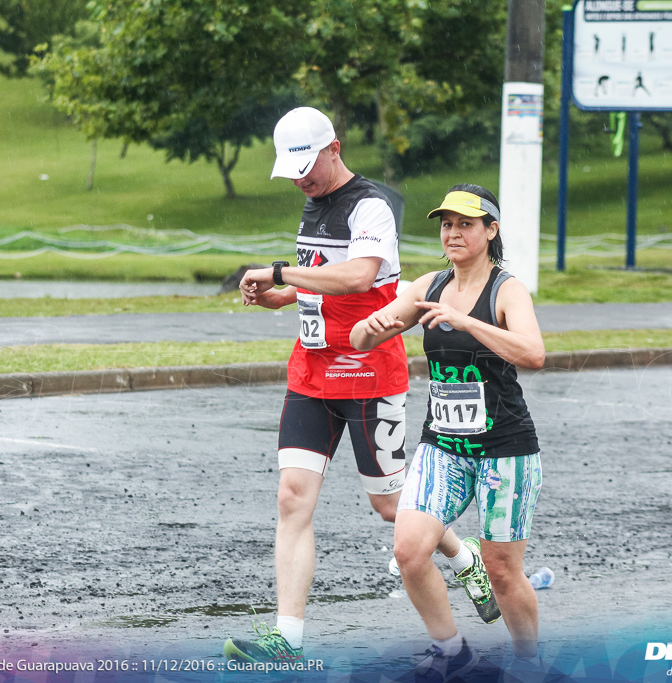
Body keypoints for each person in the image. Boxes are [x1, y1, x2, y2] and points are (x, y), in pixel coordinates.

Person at [223, 109, 499, 664]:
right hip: (311, 372)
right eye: (293, 170)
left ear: (335, 148)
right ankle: (288, 640)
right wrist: (284, 296)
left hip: (369, 374)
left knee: (390, 505)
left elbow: (358, 274)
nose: (302, 178)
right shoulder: (313, 199)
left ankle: (462, 553)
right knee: (292, 498)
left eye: (308, 166)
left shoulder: (370, 204)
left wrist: (279, 273)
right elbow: (326, 283)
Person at [350, 184, 546, 681]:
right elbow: (363, 334)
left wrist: (465, 320)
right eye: (446, 224)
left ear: (490, 230)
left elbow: (533, 353)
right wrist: (373, 328)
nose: (453, 233)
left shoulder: (507, 289)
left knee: (501, 570)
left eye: (465, 224)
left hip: (506, 449)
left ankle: (528, 662)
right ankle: (452, 650)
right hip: (444, 445)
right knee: (409, 551)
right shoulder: (428, 286)